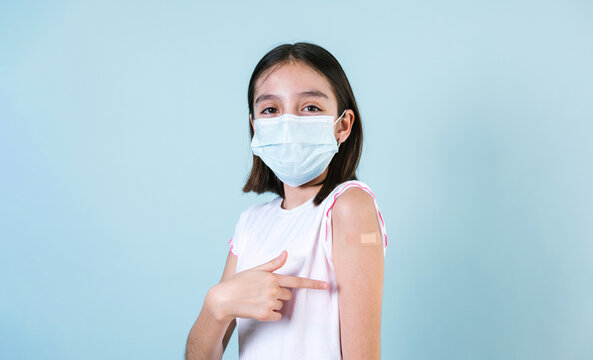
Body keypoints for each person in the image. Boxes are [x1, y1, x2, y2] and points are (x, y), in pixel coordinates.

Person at [185, 42, 388, 360]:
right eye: (270, 110)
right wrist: (217, 305)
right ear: (255, 127)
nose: (289, 122)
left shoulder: (348, 207)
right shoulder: (251, 222)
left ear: (343, 126)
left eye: (310, 108)